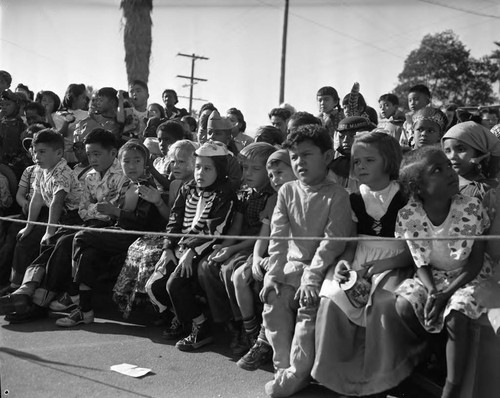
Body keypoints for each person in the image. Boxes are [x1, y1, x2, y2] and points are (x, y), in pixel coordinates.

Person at [312, 132, 424, 396]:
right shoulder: (354, 197)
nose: (360, 166)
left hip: (396, 258)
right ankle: (339, 376)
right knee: (333, 299)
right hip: (360, 258)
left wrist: (384, 264)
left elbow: (414, 248)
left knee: (383, 304)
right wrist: (344, 263)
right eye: (357, 161)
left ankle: (382, 377)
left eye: (369, 160)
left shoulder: (406, 196)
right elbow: (352, 242)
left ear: (388, 161)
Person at [260, 124, 352, 397]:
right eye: (295, 156)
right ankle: (283, 369)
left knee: (307, 309)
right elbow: (278, 237)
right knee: (273, 302)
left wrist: (311, 279)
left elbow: (332, 242)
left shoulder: (337, 196)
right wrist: (273, 274)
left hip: (323, 270)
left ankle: (298, 373)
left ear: (326, 157)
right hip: (293, 266)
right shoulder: (287, 191)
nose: (299, 162)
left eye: (307, 155)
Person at [394, 146, 493, 398]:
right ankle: (434, 352)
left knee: (456, 315)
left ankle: (452, 385)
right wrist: (432, 291)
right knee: (404, 306)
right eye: (437, 170)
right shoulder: (408, 216)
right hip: (433, 277)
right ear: (418, 187)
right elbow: (421, 263)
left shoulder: (471, 207)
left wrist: (446, 293)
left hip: (471, 276)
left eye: (448, 166)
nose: (449, 171)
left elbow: (476, 262)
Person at [0, 129, 127, 322]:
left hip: (106, 227)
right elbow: (86, 209)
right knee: (51, 242)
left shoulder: (121, 175)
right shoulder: (91, 176)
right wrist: (98, 209)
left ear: (113, 153)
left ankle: (37, 300)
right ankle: (28, 290)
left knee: (62, 242)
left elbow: (110, 212)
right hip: (87, 223)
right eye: (89, 153)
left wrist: (99, 209)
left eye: (96, 154)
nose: (91, 158)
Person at [55, 140, 167, 327]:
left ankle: (73, 291)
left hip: (138, 238)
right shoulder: (128, 185)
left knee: (81, 236)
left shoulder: (146, 186)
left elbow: (140, 223)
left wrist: (115, 211)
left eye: (137, 161)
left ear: (145, 163)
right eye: (126, 161)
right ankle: (85, 310)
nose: (131, 166)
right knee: (88, 255)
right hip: (121, 233)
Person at [150, 140, 236, 351]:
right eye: (198, 167)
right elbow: (175, 219)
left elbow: (215, 229)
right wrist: (168, 247)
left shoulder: (225, 193)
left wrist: (190, 251)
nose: (200, 173)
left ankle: (201, 327)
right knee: (154, 286)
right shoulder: (187, 189)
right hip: (180, 247)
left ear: (220, 170)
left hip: (204, 249)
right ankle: (182, 316)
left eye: (207, 168)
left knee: (175, 284)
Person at [199, 142, 277, 355]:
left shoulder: (272, 196)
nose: (248, 173)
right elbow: (236, 226)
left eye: (255, 169)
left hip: (260, 246)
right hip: (243, 244)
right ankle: (228, 322)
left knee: (229, 269)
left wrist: (232, 251)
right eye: (245, 168)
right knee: (208, 265)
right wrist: (224, 246)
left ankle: (246, 326)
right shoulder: (245, 193)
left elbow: (262, 236)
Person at [113, 140, 197, 319]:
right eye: (173, 161)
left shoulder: (199, 185)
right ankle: (136, 302)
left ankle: (160, 307)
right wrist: (158, 202)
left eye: (181, 162)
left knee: (150, 252)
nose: (175, 166)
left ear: (195, 161)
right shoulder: (175, 184)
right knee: (137, 247)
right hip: (172, 233)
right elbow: (171, 218)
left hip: (189, 237)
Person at [234, 149, 296, 371]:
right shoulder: (274, 200)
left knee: (273, 288)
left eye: (280, 172)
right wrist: (258, 257)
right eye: (271, 175)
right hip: (273, 254)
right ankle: (251, 333)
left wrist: (275, 259)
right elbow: (265, 235)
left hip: (292, 258)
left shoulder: (302, 197)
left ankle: (264, 342)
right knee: (240, 276)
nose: (274, 179)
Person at [4, 129, 82, 295]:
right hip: (52, 214)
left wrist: (49, 232)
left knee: (46, 242)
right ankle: (15, 285)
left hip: (72, 217)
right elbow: (37, 199)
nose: (37, 156)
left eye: (42, 152)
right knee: (24, 238)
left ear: (59, 153)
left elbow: (57, 202)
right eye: (35, 152)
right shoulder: (40, 169)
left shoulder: (62, 171)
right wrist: (28, 226)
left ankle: (37, 290)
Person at [442, 121, 500, 199]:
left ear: (479, 152)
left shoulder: (486, 190)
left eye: (461, 149)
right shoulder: (440, 183)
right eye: (447, 151)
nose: (452, 156)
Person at [329, 115, 374, 193]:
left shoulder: (377, 163)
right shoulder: (336, 166)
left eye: (352, 135)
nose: (345, 140)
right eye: (342, 136)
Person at [53, 84, 89, 164]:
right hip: (65, 156)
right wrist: (67, 121)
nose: (85, 101)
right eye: (82, 97)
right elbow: (61, 134)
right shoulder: (59, 115)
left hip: (82, 155)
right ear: (74, 97)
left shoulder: (87, 114)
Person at [206, 110, 243, 190]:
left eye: (217, 133)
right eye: (209, 132)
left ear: (228, 139)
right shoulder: (200, 156)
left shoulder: (231, 161)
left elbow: (234, 184)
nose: (211, 137)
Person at [0, 89, 27, 177]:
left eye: (8, 104)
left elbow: (23, 148)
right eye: (2, 105)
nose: (4, 107)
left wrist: (16, 161)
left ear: (17, 106)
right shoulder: (1, 124)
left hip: (15, 167)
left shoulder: (21, 126)